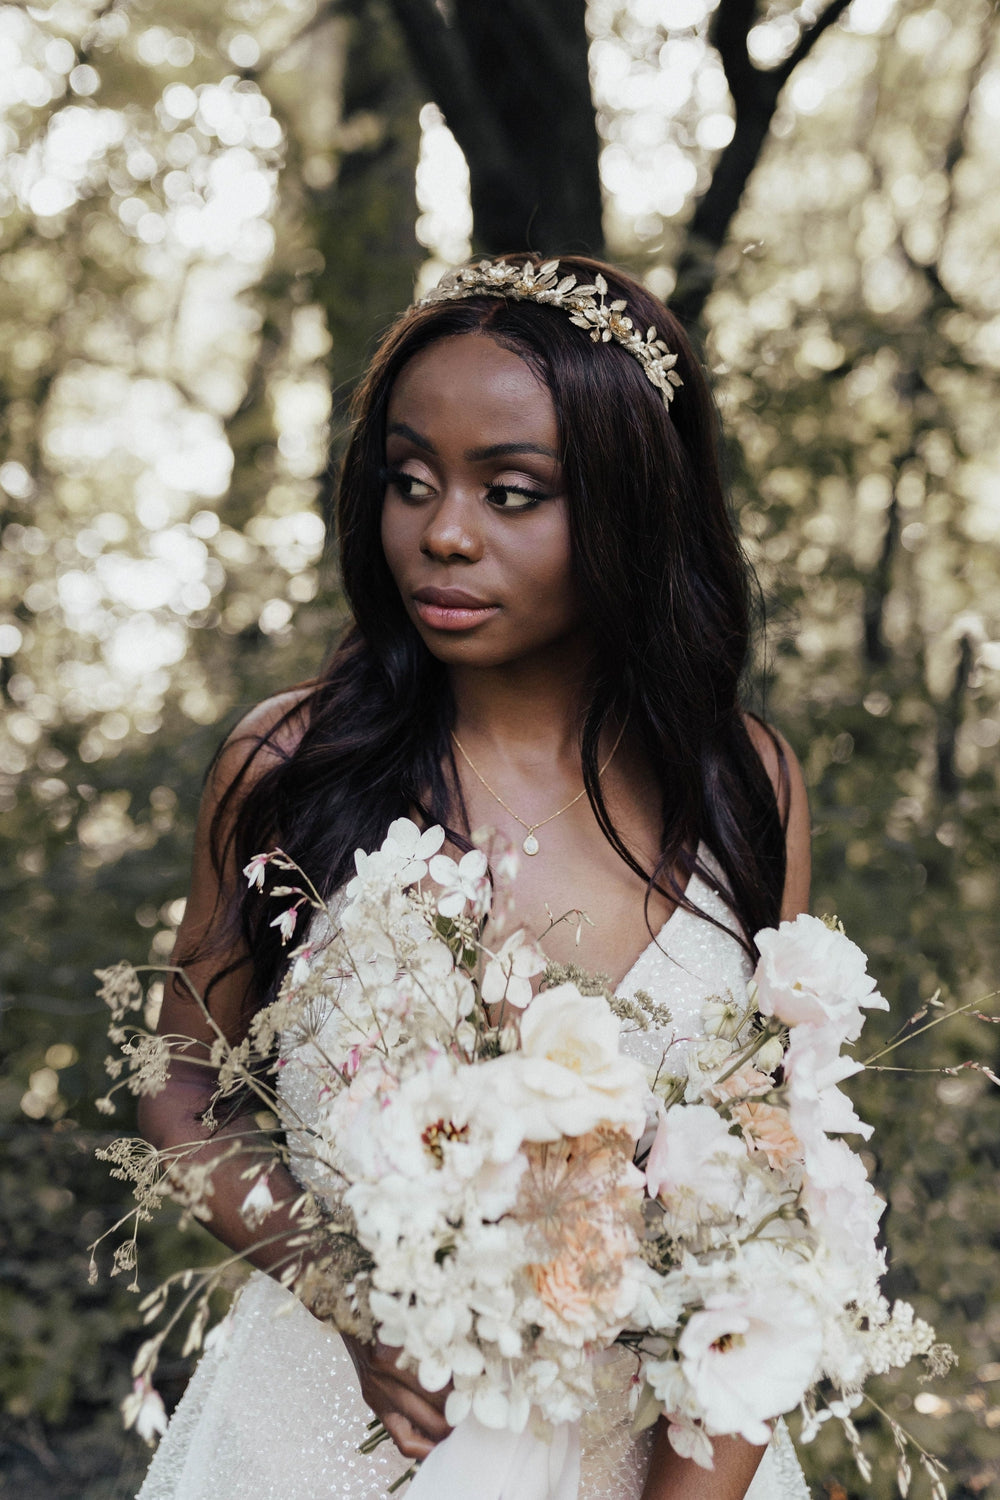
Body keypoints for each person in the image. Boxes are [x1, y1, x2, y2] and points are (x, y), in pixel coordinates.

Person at [135, 253, 813, 1500]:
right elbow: (182, 1083)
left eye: (513, 492)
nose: (441, 532)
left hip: (667, 1454)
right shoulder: (293, 765)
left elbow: (774, 1175)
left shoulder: (741, 786)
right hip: (329, 1447)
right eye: (408, 479)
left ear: (627, 507)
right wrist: (343, 1289)